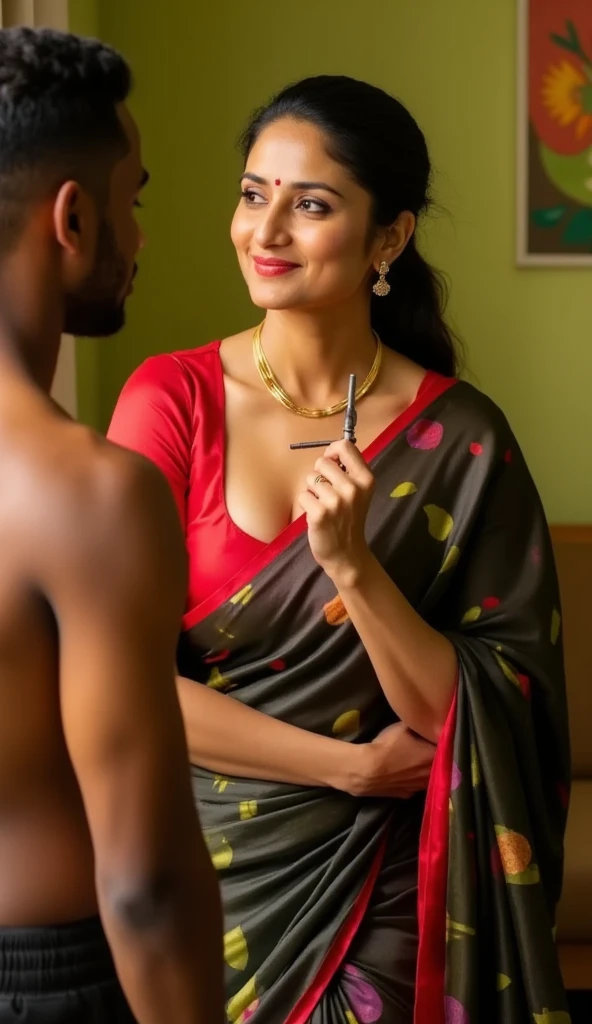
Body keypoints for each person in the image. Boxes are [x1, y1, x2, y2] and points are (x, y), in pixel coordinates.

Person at [108, 75, 571, 1023]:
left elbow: (468, 719)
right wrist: (346, 767)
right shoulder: (171, 403)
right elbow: (118, 683)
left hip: (386, 887)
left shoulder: (464, 442)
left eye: (309, 204)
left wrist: (355, 568)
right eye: (252, 194)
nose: (264, 232)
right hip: (201, 867)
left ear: (389, 239)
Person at [0, 27, 223, 1024]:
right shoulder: (91, 494)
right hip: (50, 979)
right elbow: (144, 885)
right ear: (74, 218)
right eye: (133, 202)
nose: (138, 236)